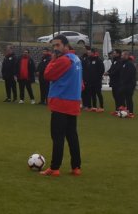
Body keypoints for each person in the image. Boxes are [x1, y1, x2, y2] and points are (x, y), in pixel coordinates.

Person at [40, 35, 82, 177]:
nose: (55, 49)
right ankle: (76, 167)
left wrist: (52, 60)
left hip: (61, 103)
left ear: (65, 45)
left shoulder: (63, 60)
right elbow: (81, 84)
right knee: (72, 136)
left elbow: (47, 74)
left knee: (58, 137)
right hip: (73, 103)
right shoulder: (76, 59)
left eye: (58, 45)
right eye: (54, 46)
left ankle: (54, 168)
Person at [83, 48, 105, 112]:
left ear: (93, 53)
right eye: (88, 53)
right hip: (89, 81)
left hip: (97, 81)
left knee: (98, 93)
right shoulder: (87, 60)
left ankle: (101, 107)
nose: (88, 54)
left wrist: (98, 78)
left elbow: (101, 70)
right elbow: (85, 70)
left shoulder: (98, 60)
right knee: (91, 94)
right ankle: (93, 107)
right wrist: (86, 78)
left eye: (89, 52)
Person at [119, 50, 137, 118]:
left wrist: (124, 82)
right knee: (123, 96)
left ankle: (131, 112)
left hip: (129, 85)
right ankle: (125, 110)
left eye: (122, 55)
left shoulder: (129, 64)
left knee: (129, 98)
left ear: (126, 56)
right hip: (125, 84)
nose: (121, 56)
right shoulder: (124, 63)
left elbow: (130, 75)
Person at [105, 49, 123, 115]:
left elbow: (117, 71)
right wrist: (108, 71)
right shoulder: (114, 61)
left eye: (114, 53)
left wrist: (109, 74)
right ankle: (117, 110)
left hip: (118, 82)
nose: (113, 54)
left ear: (118, 54)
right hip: (114, 82)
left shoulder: (120, 61)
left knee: (118, 97)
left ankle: (120, 110)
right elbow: (112, 68)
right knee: (115, 96)